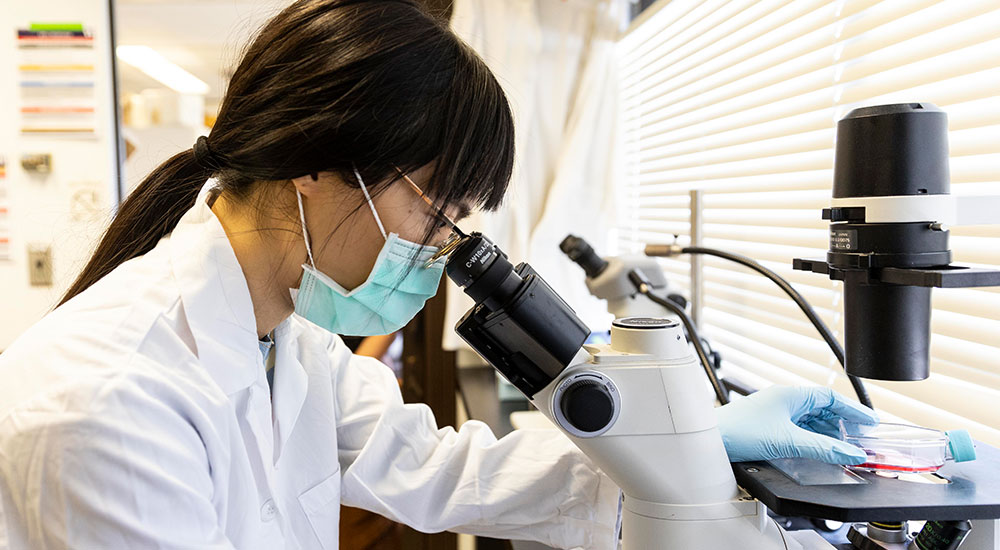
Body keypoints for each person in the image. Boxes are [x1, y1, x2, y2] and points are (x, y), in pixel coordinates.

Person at [0, 1, 877, 548]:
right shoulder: (106, 399)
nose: (447, 245)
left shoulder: (286, 343)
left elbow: (441, 467)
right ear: (316, 162)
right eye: (438, 208)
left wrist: (682, 455)